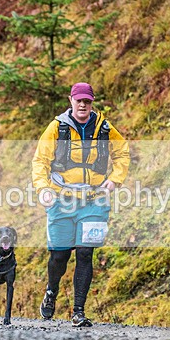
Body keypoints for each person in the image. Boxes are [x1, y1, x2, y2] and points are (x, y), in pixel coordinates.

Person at [31, 82, 130, 327]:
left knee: (85, 253)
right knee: (60, 256)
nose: (83, 105)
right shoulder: (57, 128)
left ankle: (78, 311)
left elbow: (123, 152)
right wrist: (43, 188)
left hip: (94, 200)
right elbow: (40, 160)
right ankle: (52, 291)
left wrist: (114, 181)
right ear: (71, 101)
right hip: (61, 199)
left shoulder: (104, 128)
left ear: (92, 102)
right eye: (79, 101)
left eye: (87, 101)